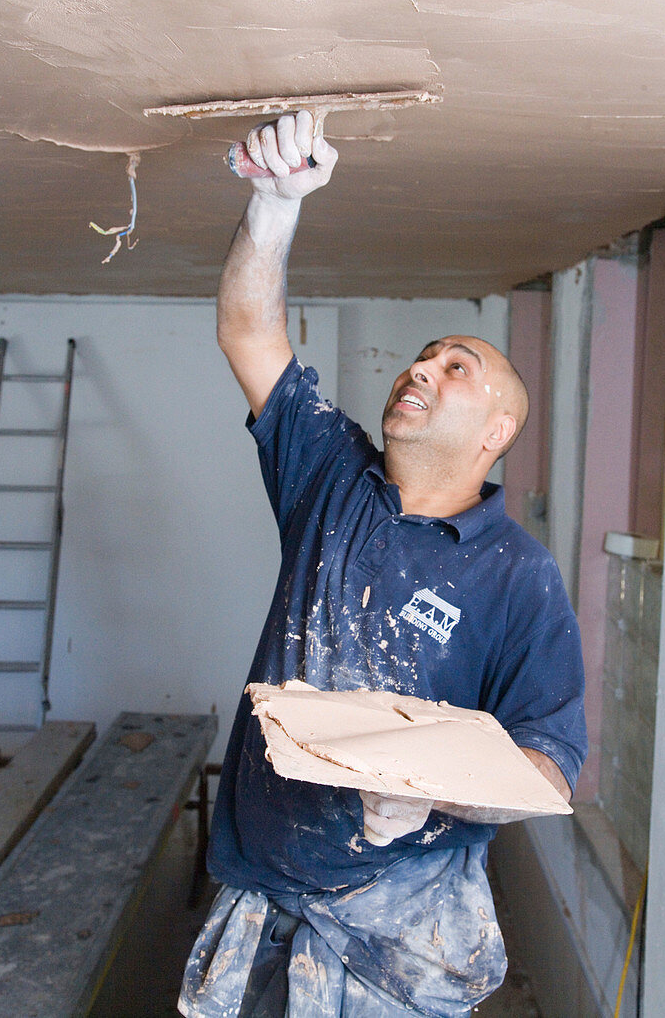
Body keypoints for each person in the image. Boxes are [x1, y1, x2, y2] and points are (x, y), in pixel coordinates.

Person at [178, 112, 587, 1018]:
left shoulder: (517, 578)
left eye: (455, 367)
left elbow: (549, 768)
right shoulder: (331, 477)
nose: (421, 370)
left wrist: (434, 795)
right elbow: (249, 330)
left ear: (497, 432)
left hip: (399, 926)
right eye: (420, 358)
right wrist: (274, 204)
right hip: (257, 892)